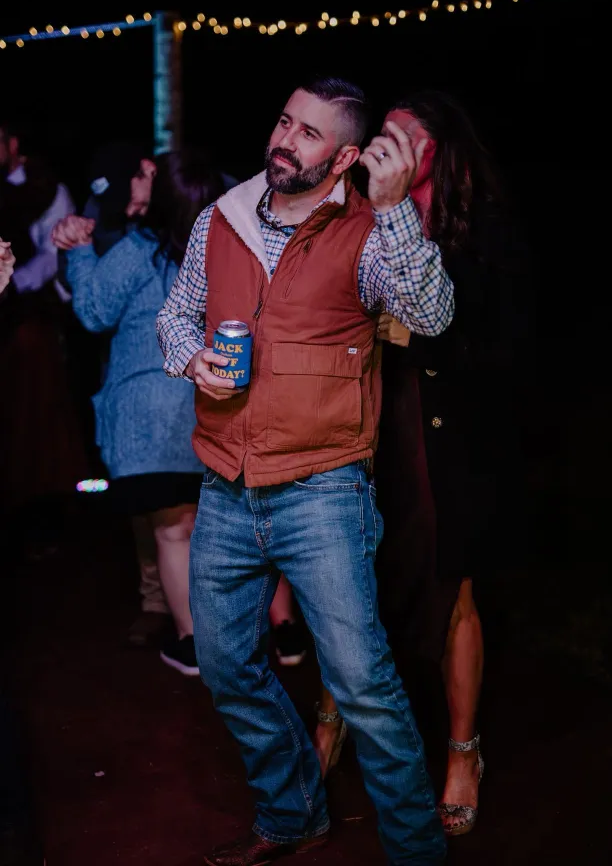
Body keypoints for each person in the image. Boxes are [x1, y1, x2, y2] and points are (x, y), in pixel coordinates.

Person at [156, 76, 453, 866]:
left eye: (310, 134)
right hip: (223, 488)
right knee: (225, 670)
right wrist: (189, 359)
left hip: (322, 491)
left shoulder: (367, 231)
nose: (285, 139)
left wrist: (392, 207)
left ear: (346, 156)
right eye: (285, 121)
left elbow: (430, 315)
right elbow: (175, 312)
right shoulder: (221, 218)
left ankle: (416, 852)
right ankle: (292, 816)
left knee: (363, 689)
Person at [315, 90, 532, 838]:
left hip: (448, 443)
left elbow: (504, 348)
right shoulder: (355, 214)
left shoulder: (483, 234)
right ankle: (329, 718)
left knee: (452, 593)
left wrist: (418, 333)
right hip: (365, 426)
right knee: (345, 582)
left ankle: (462, 751)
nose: (387, 148)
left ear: (440, 152)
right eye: (383, 134)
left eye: (406, 138)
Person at [52, 150, 227, 676]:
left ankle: (194, 644)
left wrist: (80, 252)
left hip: (149, 420)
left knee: (173, 531)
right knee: (211, 529)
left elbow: (91, 311)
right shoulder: (222, 248)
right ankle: (233, 640)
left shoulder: (140, 249)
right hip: (208, 409)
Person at [0, 123, 87, 535]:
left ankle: (44, 510)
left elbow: (53, 254)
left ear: (12, 144)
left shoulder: (47, 187)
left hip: (31, 315)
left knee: (38, 414)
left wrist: (12, 286)